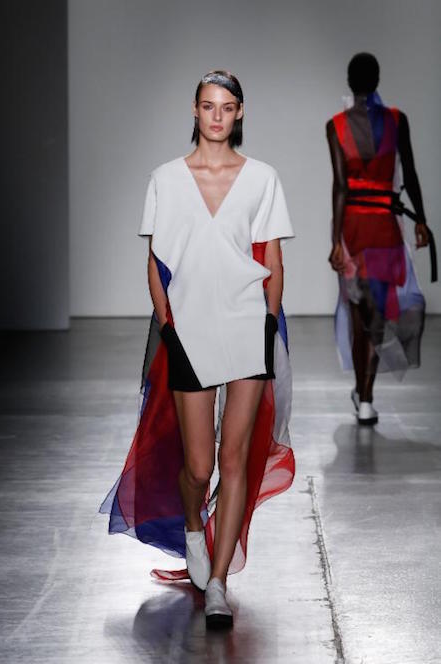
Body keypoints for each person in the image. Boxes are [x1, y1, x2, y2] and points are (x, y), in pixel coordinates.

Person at [100, 70, 295, 630]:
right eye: (208, 106)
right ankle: (193, 530)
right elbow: (156, 263)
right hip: (189, 329)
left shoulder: (262, 178)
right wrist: (168, 327)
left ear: (239, 113)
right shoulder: (165, 179)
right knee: (198, 465)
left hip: (246, 326)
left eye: (227, 107)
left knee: (233, 460)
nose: (217, 116)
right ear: (194, 110)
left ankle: (218, 584)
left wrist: (267, 325)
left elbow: (273, 259)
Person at [326, 53, 431, 425]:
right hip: (385, 227)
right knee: (377, 315)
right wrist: (421, 220)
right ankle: (366, 397)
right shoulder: (397, 120)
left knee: (358, 315)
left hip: (354, 227)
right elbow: (410, 173)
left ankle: (362, 394)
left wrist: (335, 240)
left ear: (349, 81)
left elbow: (341, 186)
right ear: (378, 79)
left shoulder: (336, 125)